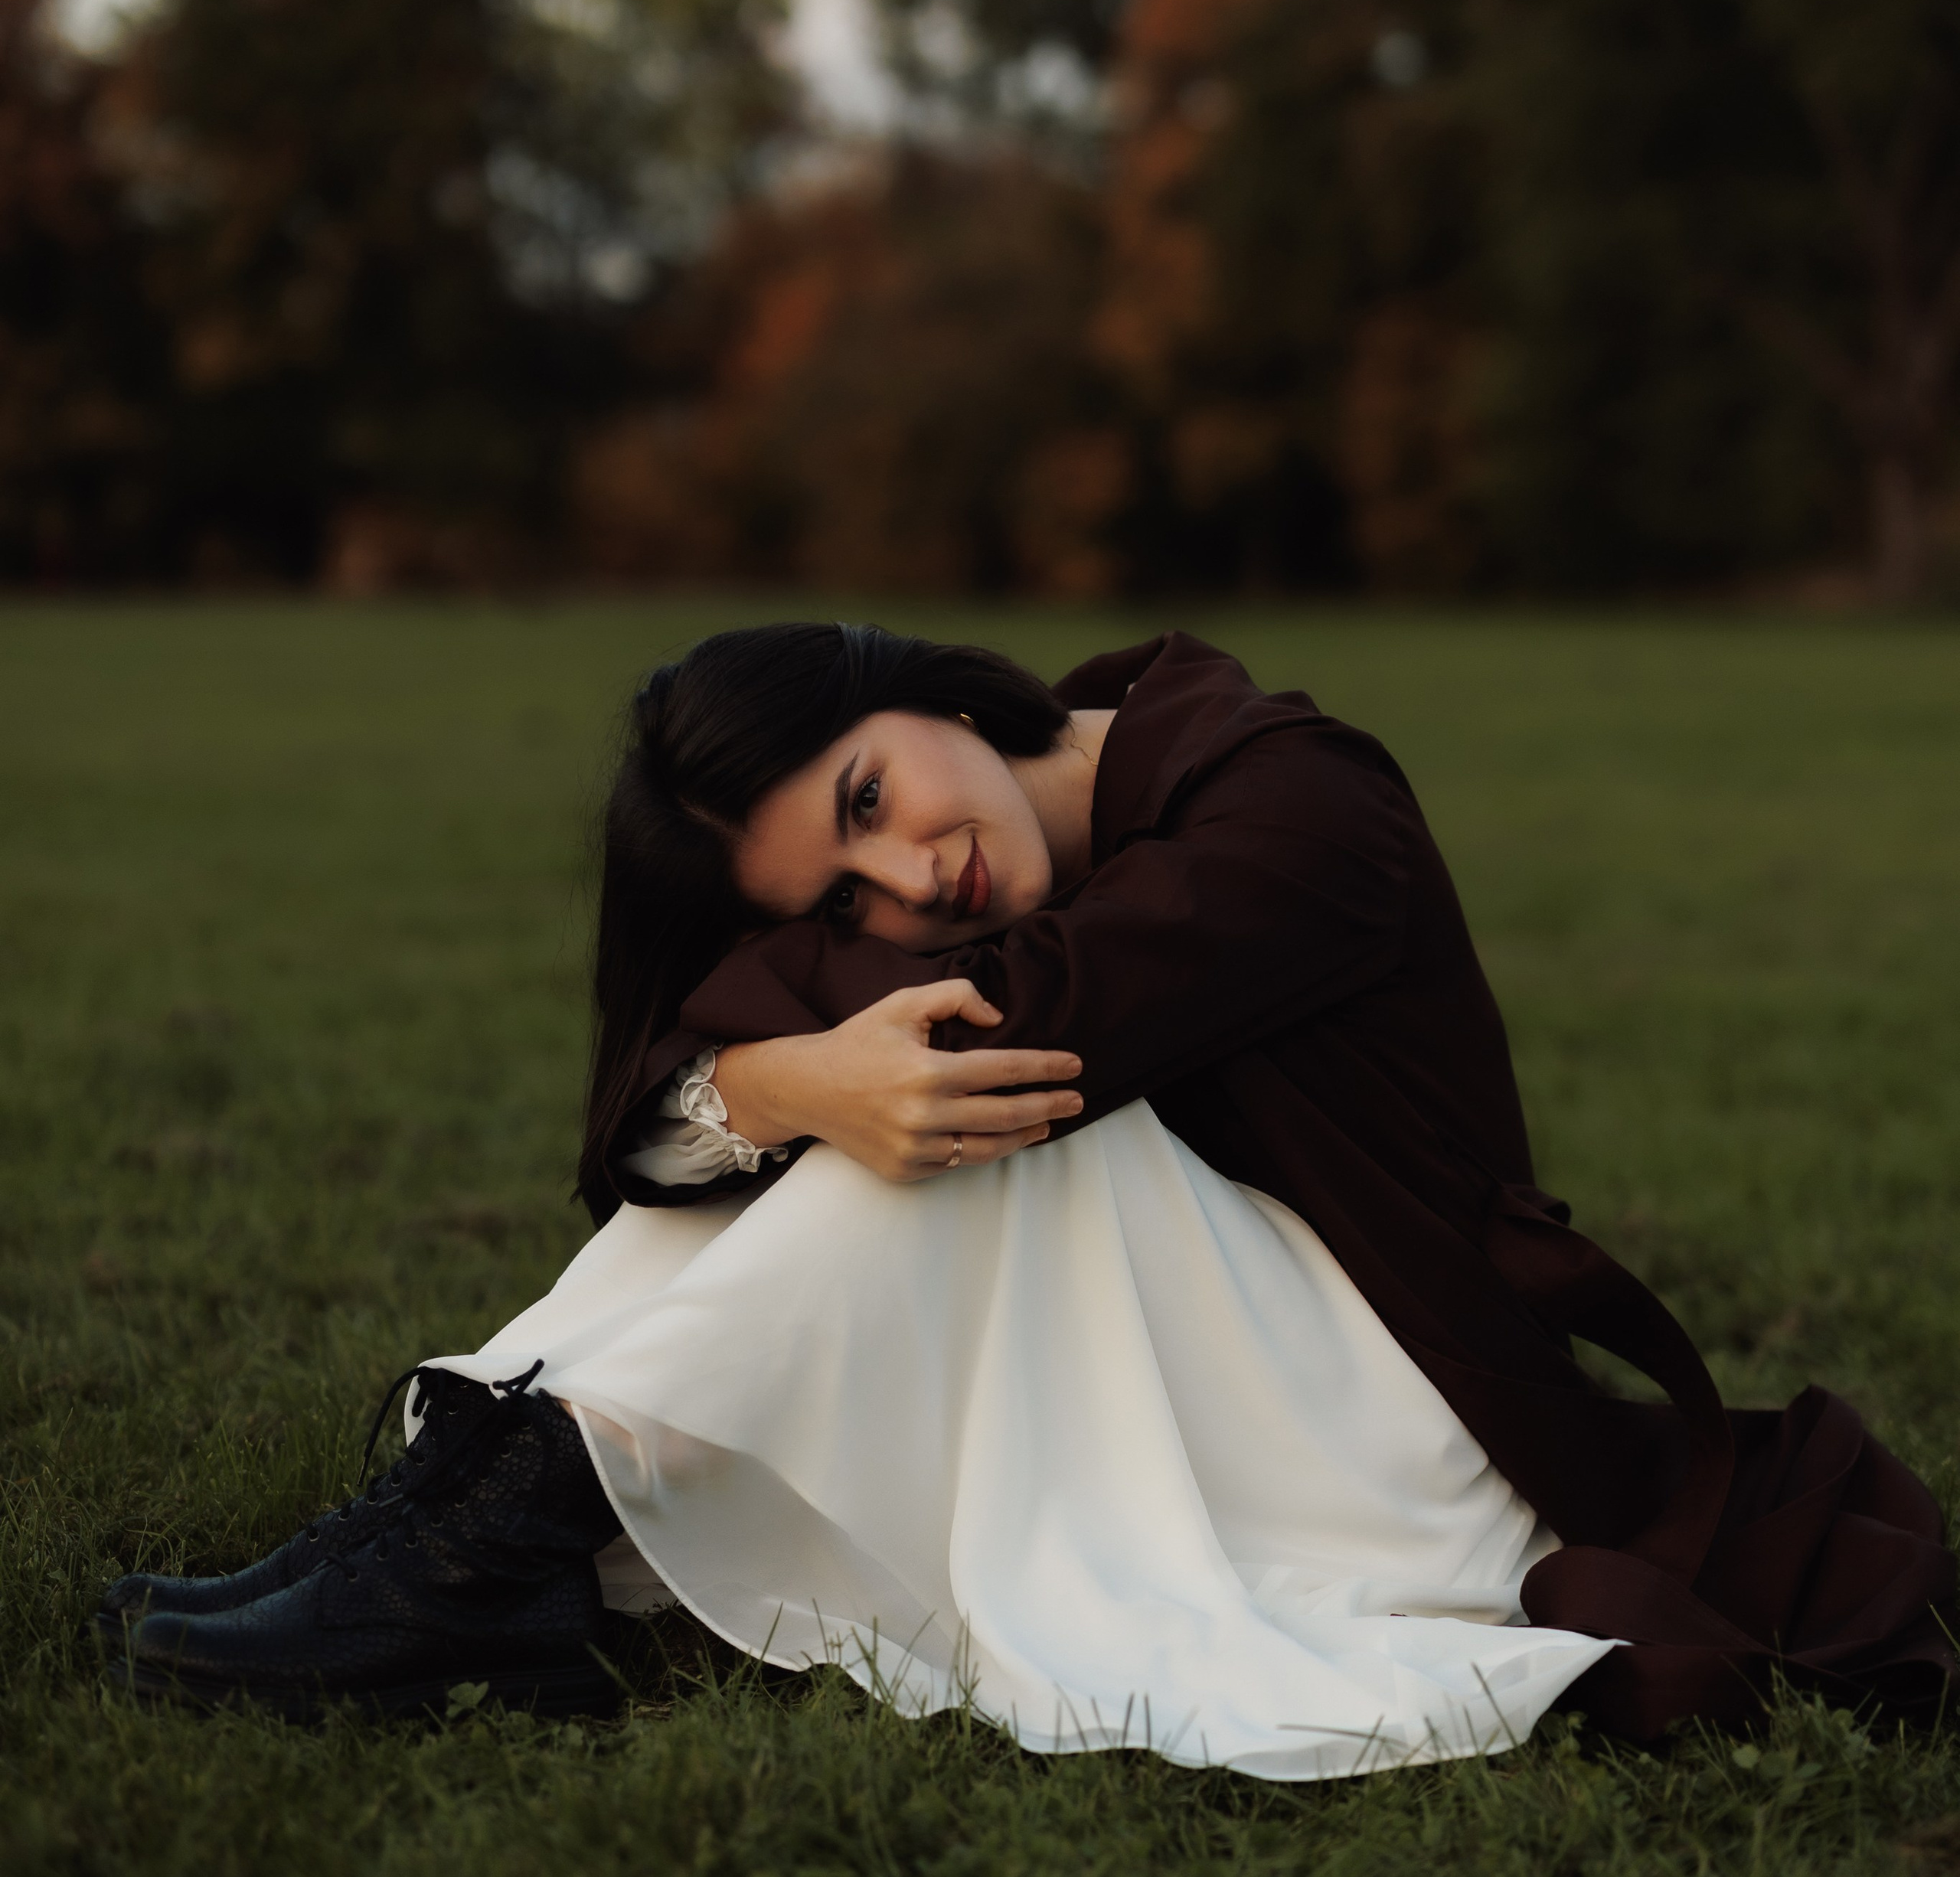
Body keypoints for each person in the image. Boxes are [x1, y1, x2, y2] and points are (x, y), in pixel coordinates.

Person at [100, 625, 1955, 1774]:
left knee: (975, 1101)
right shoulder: (1005, 831)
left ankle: (489, 1541)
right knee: (887, 1101)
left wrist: (774, 1070)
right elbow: (648, 1130)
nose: (908, 873)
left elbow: (998, 1028)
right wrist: (777, 1080)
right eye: (836, 900)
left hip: (1411, 1410)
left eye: (867, 794)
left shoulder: (1294, 806)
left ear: (913, 683)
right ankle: (464, 1516)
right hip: (1189, 1359)